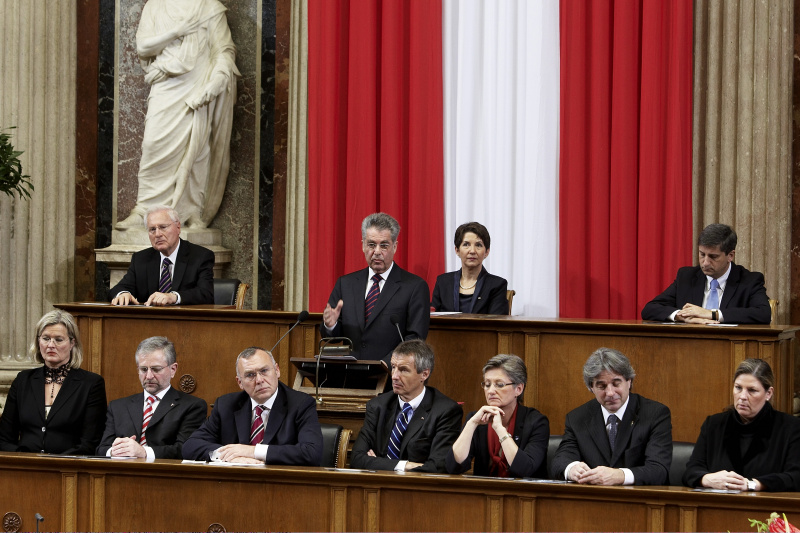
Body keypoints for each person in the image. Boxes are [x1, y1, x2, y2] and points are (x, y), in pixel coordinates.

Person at [117, 0, 240, 230]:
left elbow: (224, 51)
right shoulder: (155, 5)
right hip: (165, 86)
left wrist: (216, 81)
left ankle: (191, 211)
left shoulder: (208, 7)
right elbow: (143, 47)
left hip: (197, 85)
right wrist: (176, 32)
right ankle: (144, 209)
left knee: (196, 148)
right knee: (153, 144)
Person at [550, 347, 672, 485]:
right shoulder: (577, 418)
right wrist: (571, 469)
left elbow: (659, 470)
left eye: (616, 383)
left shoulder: (655, 414)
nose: (610, 393)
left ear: (629, 381)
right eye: (601, 386)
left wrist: (620, 475)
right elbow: (560, 461)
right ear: (591, 387)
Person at [182, 347, 322, 465]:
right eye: (250, 375)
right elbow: (190, 445)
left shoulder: (300, 404)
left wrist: (252, 451)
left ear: (277, 370)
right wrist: (232, 456)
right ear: (240, 382)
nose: (259, 380)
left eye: (264, 371)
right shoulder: (226, 405)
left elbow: (311, 452)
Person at [322, 212, 430, 362]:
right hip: (351, 374)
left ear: (395, 247)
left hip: (390, 377)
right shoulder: (345, 284)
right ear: (363, 245)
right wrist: (331, 325)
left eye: (384, 245)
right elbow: (332, 339)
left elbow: (414, 341)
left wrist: (385, 365)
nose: (377, 252)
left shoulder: (414, 287)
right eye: (371, 245)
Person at [683, 359, 800, 492]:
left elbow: (795, 477)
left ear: (768, 393)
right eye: (738, 388)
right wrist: (707, 479)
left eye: (752, 390)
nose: (743, 396)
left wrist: (752, 484)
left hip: (765, 508)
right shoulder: (714, 424)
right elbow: (691, 471)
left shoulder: (791, 428)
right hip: (717, 506)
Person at [0, 310, 107, 454]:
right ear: (38, 342)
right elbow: (4, 438)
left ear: (72, 343)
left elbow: (90, 443)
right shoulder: (23, 380)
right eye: (46, 338)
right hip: (25, 467)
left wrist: (54, 463)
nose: (51, 345)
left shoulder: (91, 384)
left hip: (68, 469)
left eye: (58, 339)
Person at [350, 340, 462, 473]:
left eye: (403, 370)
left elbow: (438, 466)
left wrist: (377, 463)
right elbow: (357, 459)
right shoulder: (377, 406)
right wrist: (405, 465)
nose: (394, 376)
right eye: (393, 367)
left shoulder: (446, 411)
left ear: (424, 374)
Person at [96, 336, 208, 461]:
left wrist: (143, 452)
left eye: (156, 369)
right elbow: (102, 448)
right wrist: (115, 451)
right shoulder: (118, 406)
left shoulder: (192, 406)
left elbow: (185, 449)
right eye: (143, 369)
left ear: (173, 369)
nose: (149, 376)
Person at [641, 223, 771, 324]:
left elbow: (763, 313)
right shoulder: (687, 277)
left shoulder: (749, 280)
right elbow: (650, 309)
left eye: (713, 257)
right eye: (702, 254)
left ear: (730, 255)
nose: (705, 263)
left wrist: (712, 314)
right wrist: (683, 316)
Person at [447, 354, 548, 478]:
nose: (490, 391)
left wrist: (500, 429)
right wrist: (471, 424)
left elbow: (525, 469)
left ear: (519, 389)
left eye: (499, 385)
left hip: (524, 494)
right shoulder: (476, 418)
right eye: (487, 384)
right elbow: (453, 467)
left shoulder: (536, 422)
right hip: (483, 492)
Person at [110, 205, 215, 306]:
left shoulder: (200, 256)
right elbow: (119, 288)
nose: (158, 234)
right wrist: (122, 294)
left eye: (163, 227)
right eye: (152, 229)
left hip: (186, 321)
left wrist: (173, 297)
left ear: (178, 227)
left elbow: (206, 293)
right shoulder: (141, 259)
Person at [431, 222, 509, 314]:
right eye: (466, 244)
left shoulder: (497, 285)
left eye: (478, 245)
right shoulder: (443, 282)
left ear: (487, 252)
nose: (472, 251)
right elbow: (433, 318)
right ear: (457, 250)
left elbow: (497, 324)